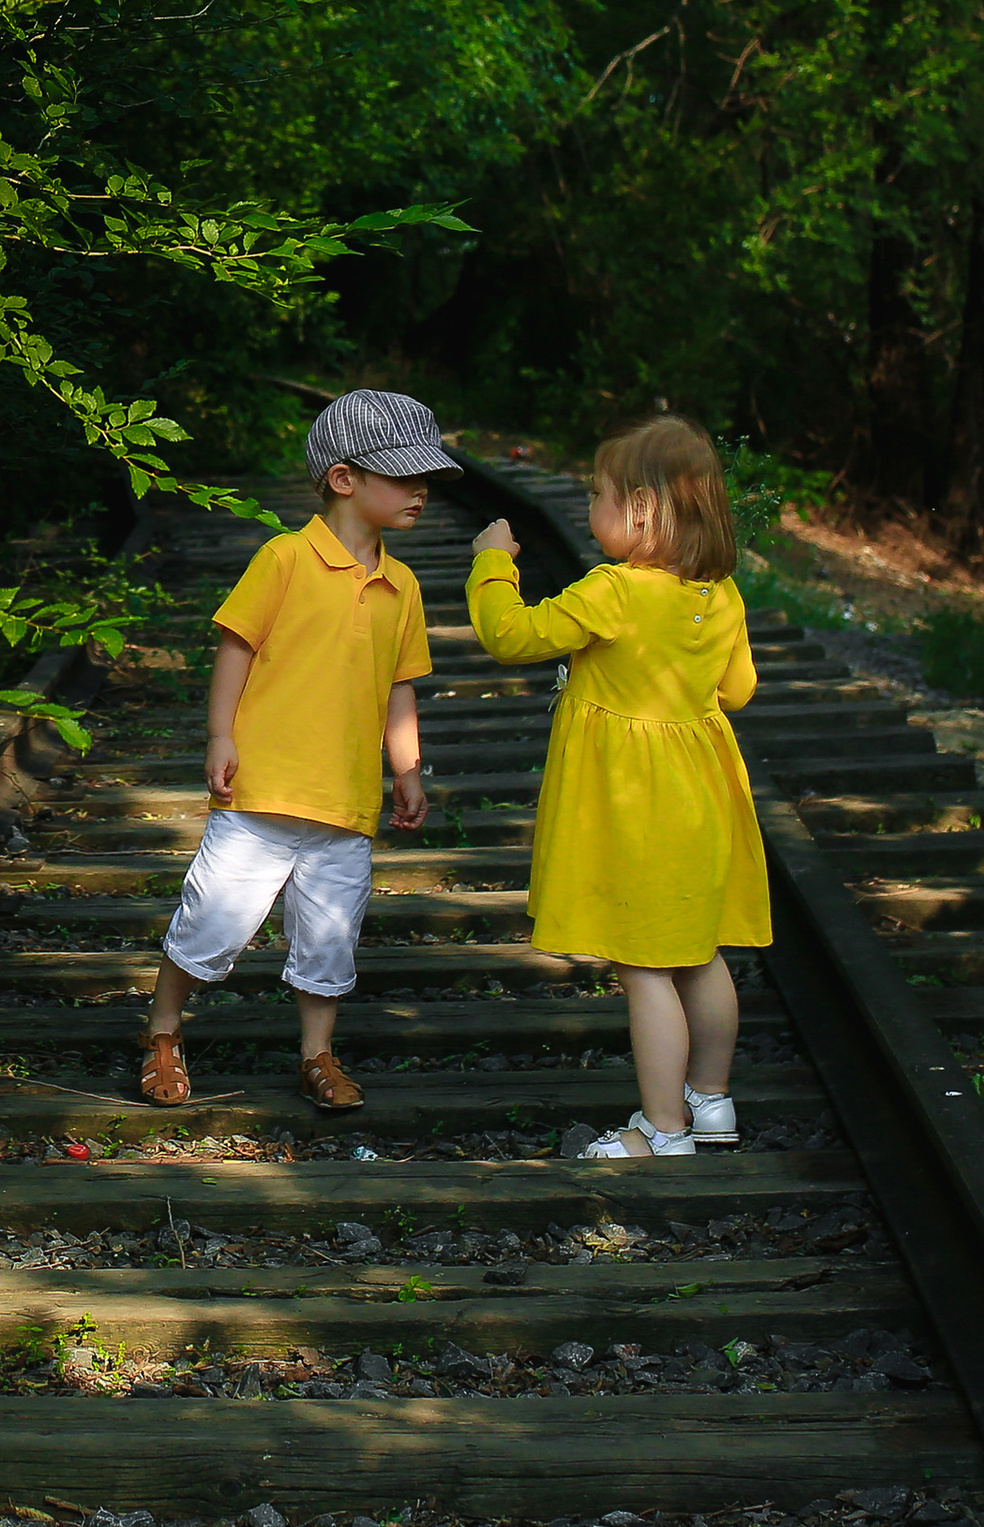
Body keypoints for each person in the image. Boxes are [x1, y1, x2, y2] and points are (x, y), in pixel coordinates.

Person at [139, 388, 456, 1114]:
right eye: (404, 477)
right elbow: (237, 646)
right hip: (261, 792)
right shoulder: (284, 557)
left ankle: (317, 1053)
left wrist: (407, 769)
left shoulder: (403, 585)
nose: (421, 492)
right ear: (344, 479)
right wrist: (221, 734)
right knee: (211, 921)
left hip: (345, 802)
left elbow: (399, 686)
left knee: (328, 939)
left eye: (426, 480)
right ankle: (162, 1030)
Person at [464, 415, 769, 1159]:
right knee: (700, 952)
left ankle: (662, 1130)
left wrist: (492, 563)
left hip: (637, 808)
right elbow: (738, 690)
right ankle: (712, 1102)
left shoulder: (614, 591)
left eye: (596, 494)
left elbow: (512, 636)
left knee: (644, 966)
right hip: (702, 795)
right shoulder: (721, 593)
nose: (589, 507)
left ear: (640, 509)